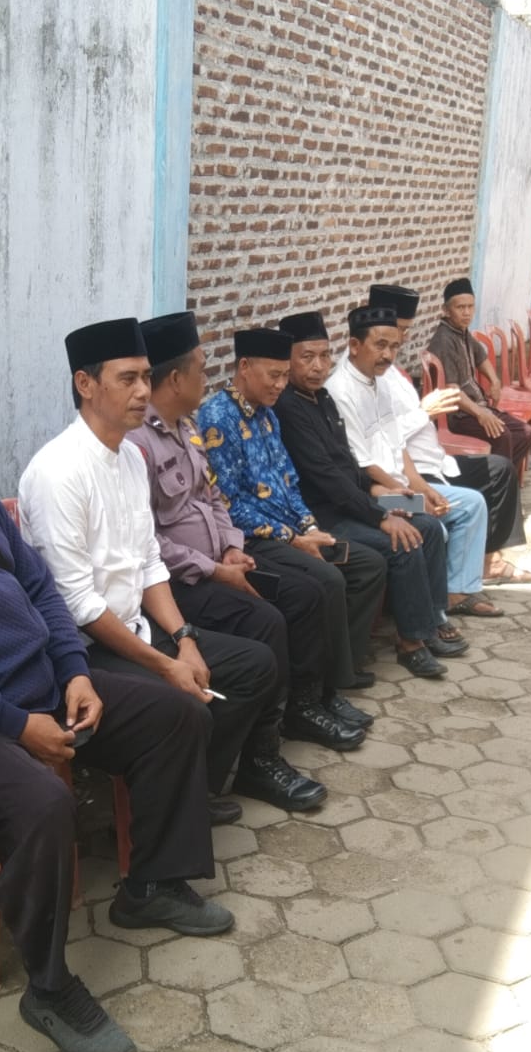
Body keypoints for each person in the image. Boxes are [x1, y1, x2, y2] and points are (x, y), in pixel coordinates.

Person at [0, 349, 232, 1052]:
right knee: (40, 802)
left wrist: (74, 672)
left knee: (175, 713)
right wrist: (13, 724)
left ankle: (152, 884)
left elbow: (41, 588)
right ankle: (49, 985)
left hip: (37, 688)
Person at [19, 317, 280, 840]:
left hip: (137, 626)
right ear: (85, 384)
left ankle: (189, 792)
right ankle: (156, 855)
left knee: (255, 665)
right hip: (83, 650)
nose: (143, 391)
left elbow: (148, 562)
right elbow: (77, 603)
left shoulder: (131, 459)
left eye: (145, 376)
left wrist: (184, 639)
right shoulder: (58, 472)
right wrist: (165, 664)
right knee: (185, 708)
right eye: (127, 379)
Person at [131, 311, 334, 810]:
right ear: (175, 379)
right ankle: (249, 761)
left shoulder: (187, 427)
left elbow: (214, 498)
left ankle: (267, 743)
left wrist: (229, 547)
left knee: (295, 597)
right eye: (201, 369)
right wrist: (214, 568)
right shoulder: (138, 444)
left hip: (219, 561)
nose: (208, 379)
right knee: (267, 620)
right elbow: (149, 540)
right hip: (175, 584)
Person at [197, 327, 387, 739]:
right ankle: (304, 704)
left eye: (285, 375)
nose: (281, 385)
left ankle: (329, 689)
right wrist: (292, 538)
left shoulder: (268, 414)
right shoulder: (217, 419)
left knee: (360, 562)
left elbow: (289, 482)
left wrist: (310, 528)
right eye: (274, 375)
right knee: (324, 581)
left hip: (289, 530)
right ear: (244, 367)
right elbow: (227, 504)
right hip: (251, 538)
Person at [276, 311, 459, 680]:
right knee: (403, 541)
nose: (318, 366)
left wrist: (385, 492)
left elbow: (347, 462)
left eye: (324, 356)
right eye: (307, 357)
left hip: (357, 499)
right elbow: (328, 479)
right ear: (287, 361)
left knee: (426, 522)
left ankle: (430, 622)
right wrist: (381, 515)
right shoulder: (288, 408)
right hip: (324, 513)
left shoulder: (321, 398)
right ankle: (411, 644)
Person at [371, 282, 531, 593]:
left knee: (501, 469)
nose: (400, 341)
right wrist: (425, 411)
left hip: (434, 462)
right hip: (409, 475)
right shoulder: (361, 382)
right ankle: (458, 587)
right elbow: (377, 444)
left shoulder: (391, 372)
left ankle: (490, 562)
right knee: (484, 482)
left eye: (404, 332)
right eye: (395, 333)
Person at [427, 278, 531, 476]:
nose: (466, 312)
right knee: (502, 436)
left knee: (525, 433)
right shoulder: (444, 340)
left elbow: (481, 357)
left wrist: (495, 380)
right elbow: (452, 391)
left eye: (470, 307)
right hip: (457, 415)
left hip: (476, 407)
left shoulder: (462, 332)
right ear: (446, 310)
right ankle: (496, 486)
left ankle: (501, 479)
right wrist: (480, 414)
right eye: (460, 307)